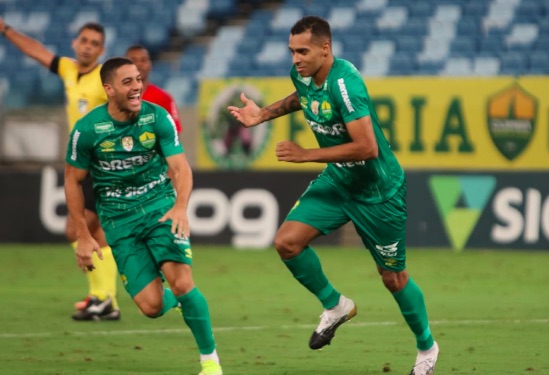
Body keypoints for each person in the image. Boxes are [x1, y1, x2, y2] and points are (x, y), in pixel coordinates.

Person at [227, 16, 439, 375]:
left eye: (303, 51)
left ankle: (427, 347)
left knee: (392, 278)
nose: (295, 59)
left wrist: (306, 154)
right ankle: (336, 305)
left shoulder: (347, 83)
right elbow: (302, 96)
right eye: (292, 51)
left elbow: (368, 147)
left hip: (378, 192)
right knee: (287, 243)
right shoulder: (303, 74)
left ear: (325, 49)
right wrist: (263, 114)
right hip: (339, 181)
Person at [64, 57, 222, 375]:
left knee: (181, 281)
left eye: (138, 79)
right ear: (108, 89)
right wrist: (83, 233)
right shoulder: (88, 129)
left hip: (160, 209)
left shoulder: (157, 117)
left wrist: (180, 206)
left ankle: (210, 362)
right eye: (128, 82)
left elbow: (180, 167)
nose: (137, 86)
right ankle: (179, 300)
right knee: (151, 307)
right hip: (118, 222)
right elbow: (72, 180)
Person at [0, 18, 120, 321]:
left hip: (101, 165)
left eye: (94, 43)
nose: (88, 47)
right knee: (91, 231)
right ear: (74, 43)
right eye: (84, 40)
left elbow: (125, 111)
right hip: (82, 164)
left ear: (101, 50)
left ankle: (105, 299)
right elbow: (37, 52)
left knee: (80, 229)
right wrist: (6, 30)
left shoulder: (103, 79)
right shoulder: (68, 69)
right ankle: (102, 298)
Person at [125, 44, 182, 133]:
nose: (139, 64)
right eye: (133, 60)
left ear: (150, 64)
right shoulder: (113, 97)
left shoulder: (164, 98)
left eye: (143, 60)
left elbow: (173, 135)